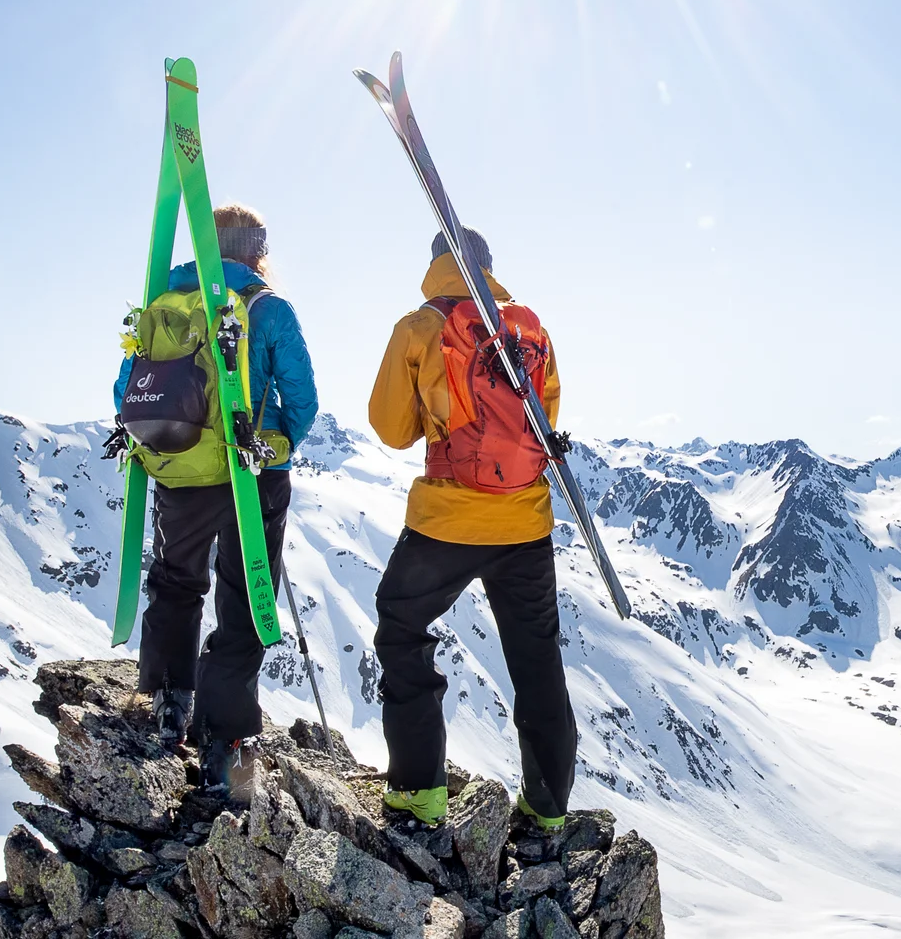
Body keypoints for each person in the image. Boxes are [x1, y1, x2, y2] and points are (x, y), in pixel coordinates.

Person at [367, 228, 577, 832]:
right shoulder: (528, 330)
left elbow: (390, 426)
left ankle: (418, 788)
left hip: (447, 520)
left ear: (436, 263)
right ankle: (546, 807)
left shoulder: (420, 326)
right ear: (489, 266)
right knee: (536, 654)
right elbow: (545, 418)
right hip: (525, 519)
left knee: (403, 624)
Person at [118, 203, 319, 789]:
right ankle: (223, 739)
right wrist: (273, 444)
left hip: (179, 468)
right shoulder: (267, 307)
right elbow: (302, 399)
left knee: (176, 580)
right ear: (257, 248)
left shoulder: (164, 304)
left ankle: (168, 703)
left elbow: (125, 390)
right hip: (247, 473)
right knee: (245, 592)